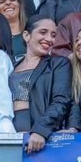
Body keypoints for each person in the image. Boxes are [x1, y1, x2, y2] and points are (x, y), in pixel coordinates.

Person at [13, 15, 73, 153]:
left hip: (38, 139)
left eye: (53, 35)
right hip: (8, 135)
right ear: (26, 35)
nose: (49, 39)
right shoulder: (11, 65)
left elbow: (61, 100)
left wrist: (40, 130)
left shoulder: (58, 64)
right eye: (43, 32)